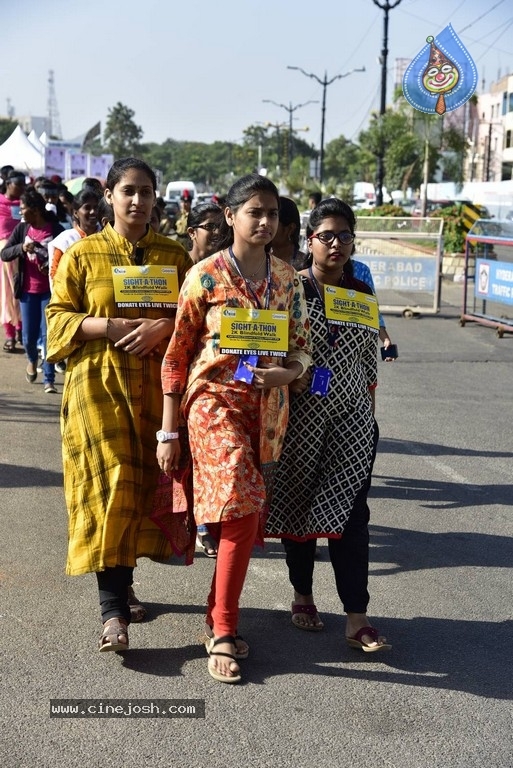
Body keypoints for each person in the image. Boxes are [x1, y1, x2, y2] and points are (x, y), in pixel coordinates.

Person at [159, 173, 311, 683]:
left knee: (235, 516)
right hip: (212, 407)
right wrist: (169, 431)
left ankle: (215, 610)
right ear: (230, 216)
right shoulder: (204, 276)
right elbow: (177, 355)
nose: (265, 222)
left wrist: (288, 372)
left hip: (266, 412)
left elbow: (301, 349)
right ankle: (223, 628)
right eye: (255, 212)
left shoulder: (289, 280)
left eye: (272, 213)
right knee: (243, 508)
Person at [45, 157, 193, 652]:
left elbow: (200, 320)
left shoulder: (175, 258)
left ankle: (123, 583)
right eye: (127, 190)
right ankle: (112, 614)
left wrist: (164, 326)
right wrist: (107, 326)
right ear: (109, 196)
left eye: (146, 191)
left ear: (156, 198)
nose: (137, 200)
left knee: (140, 489)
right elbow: (57, 322)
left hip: (157, 393)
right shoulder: (83, 256)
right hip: (97, 391)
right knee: (109, 488)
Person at [265, 197, 391, 652]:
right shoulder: (289, 289)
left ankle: (356, 617)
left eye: (345, 236)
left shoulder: (361, 292)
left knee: (353, 518)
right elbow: (272, 351)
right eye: (326, 236)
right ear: (309, 242)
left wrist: (369, 418)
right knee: (300, 510)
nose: (336, 244)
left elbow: (367, 361)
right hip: (302, 424)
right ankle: (303, 594)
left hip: (354, 426)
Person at [182, 200, 224, 557]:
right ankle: (194, 521)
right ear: (191, 232)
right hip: (178, 374)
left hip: (214, 386)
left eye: (219, 226)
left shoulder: (229, 273)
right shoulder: (181, 269)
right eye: (209, 227)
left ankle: (205, 523)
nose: (217, 233)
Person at [1, 188, 63, 393]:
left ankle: (49, 378)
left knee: (48, 336)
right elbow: (5, 253)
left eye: (23, 208)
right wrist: (21, 248)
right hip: (28, 292)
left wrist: (52, 266)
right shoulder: (22, 230)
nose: (20, 212)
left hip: (50, 292)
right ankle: (31, 359)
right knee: (28, 338)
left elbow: (69, 257)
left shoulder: (55, 229)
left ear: (35, 209)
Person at [49, 188, 101, 282]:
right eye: (87, 208)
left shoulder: (107, 237)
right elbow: (55, 274)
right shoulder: (65, 240)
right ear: (76, 213)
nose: (93, 212)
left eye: (96, 207)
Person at [0, 170, 26, 352]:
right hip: (4, 256)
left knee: (22, 292)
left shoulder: (26, 204)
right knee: (6, 294)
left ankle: (21, 331)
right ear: (8, 184)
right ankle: (9, 334)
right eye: (19, 184)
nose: (22, 188)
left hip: (24, 253)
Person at [270, 196, 306, 270]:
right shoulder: (259, 262)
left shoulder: (305, 265)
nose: (266, 227)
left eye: (273, 223)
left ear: (290, 229)